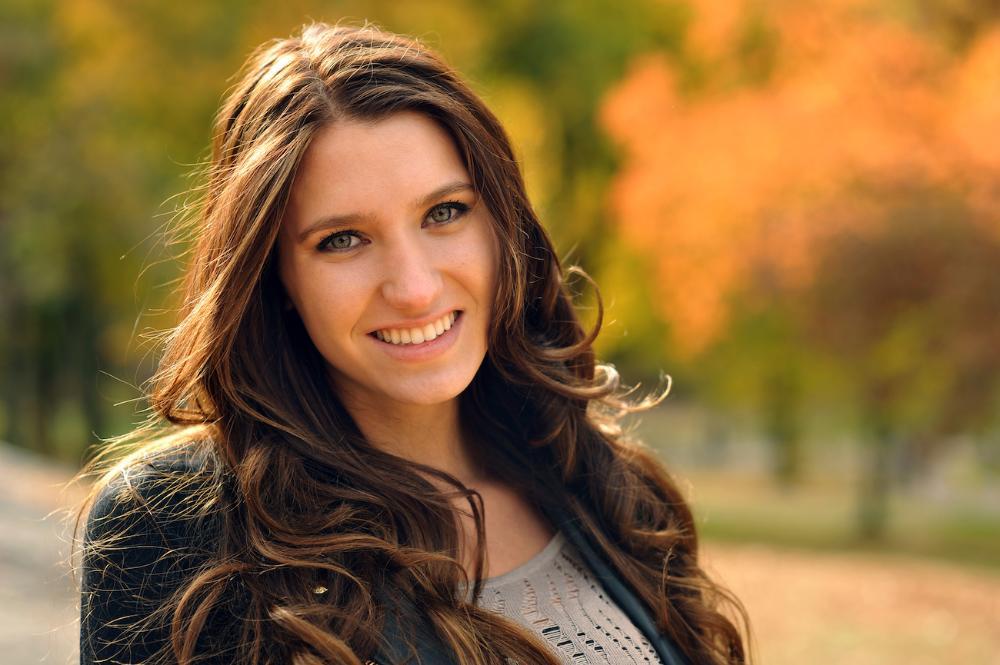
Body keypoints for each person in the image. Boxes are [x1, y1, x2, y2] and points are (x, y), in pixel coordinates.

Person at [77, 21, 748, 665]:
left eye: (445, 213)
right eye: (343, 239)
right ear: (275, 275)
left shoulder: (601, 480)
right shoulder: (179, 525)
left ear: (502, 227)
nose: (415, 287)